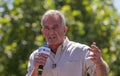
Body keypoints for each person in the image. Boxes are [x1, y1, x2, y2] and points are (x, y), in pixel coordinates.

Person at [26, 10, 109, 76]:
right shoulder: (35, 56)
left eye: (55, 27)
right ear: (43, 32)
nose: (51, 32)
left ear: (65, 30)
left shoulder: (81, 51)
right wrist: (36, 69)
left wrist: (100, 63)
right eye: (47, 28)